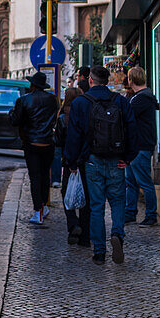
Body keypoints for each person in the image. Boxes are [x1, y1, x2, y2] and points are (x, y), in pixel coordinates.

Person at [64, 65, 138, 265]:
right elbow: (132, 130)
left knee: (96, 206)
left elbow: (74, 135)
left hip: (91, 160)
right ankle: (117, 235)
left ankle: (99, 251)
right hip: (117, 160)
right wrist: (129, 157)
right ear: (107, 81)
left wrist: (72, 162)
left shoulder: (80, 103)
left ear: (90, 81)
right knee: (117, 202)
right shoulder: (121, 102)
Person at [10, 71, 59, 225]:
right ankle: (44, 206)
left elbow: (15, 121)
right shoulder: (53, 100)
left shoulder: (23, 100)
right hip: (48, 143)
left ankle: (37, 211)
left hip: (31, 143)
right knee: (45, 175)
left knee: (35, 177)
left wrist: (11, 112)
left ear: (32, 85)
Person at [125, 65, 159, 225]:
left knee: (144, 182)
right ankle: (130, 212)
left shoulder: (142, 98)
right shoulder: (142, 96)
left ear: (131, 80)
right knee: (131, 181)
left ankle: (151, 215)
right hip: (136, 146)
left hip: (140, 146)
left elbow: (126, 114)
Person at [58, 85, 91, 247]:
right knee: (85, 196)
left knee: (67, 193)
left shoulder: (63, 117)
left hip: (69, 160)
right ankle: (85, 236)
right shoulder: (86, 114)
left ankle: (73, 224)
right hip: (85, 159)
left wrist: (71, 162)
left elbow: (59, 141)